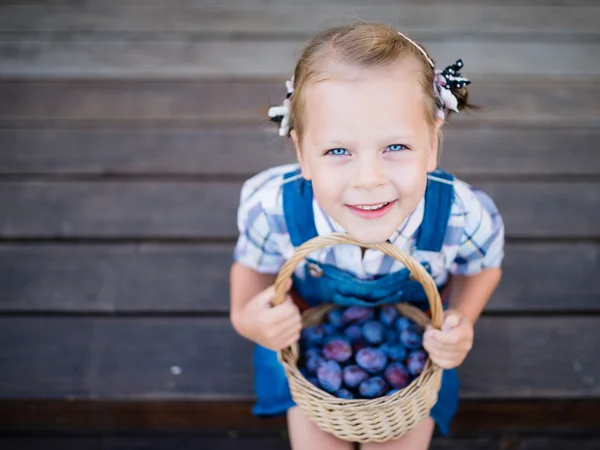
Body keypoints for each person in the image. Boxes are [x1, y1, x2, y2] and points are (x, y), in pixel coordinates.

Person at [229, 22, 504, 450]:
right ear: (302, 152)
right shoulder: (275, 208)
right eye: (338, 151)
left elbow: (482, 269)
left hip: (413, 356)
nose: (369, 180)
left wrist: (461, 319)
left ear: (432, 142)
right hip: (306, 344)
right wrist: (248, 318)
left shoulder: (462, 216)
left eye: (395, 147)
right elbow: (252, 267)